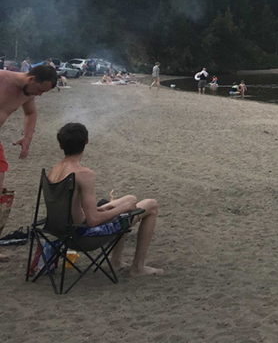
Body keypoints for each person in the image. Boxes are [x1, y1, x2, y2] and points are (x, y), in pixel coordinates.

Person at [46, 123, 162, 276]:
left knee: (130, 198)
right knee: (151, 205)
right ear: (86, 142)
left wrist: (104, 208)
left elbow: (70, 207)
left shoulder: (54, 171)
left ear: (61, 145)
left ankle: (116, 262)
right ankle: (138, 268)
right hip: (83, 235)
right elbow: (93, 220)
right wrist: (121, 209)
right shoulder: (83, 174)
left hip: (60, 231)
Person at [0, 64, 58, 262]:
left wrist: (27, 137)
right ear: (31, 79)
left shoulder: (28, 94)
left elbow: (30, 114)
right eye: (40, 90)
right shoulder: (2, 78)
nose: (39, 95)